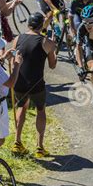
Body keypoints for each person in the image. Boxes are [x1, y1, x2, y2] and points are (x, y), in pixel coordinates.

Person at [12, 13, 57, 157]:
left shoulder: (18, 38)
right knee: (40, 110)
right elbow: (52, 65)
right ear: (41, 25)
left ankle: (17, 142)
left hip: (19, 81)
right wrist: (53, 48)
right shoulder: (46, 42)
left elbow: (13, 59)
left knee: (21, 107)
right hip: (36, 83)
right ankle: (39, 146)